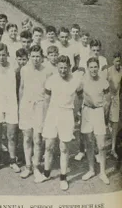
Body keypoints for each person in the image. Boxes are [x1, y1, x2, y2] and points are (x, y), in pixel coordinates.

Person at [38, 55, 83, 191]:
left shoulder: (76, 81)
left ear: (69, 67)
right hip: (52, 114)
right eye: (60, 68)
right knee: (49, 146)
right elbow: (46, 101)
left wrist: (75, 113)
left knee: (64, 148)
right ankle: (46, 173)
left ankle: (63, 178)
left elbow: (80, 98)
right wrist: (45, 119)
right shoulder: (51, 80)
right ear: (57, 67)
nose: (63, 70)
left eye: (65, 68)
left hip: (67, 114)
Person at [19, 45, 49, 180]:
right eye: (33, 56)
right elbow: (21, 88)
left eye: (38, 56)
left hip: (40, 107)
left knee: (37, 139)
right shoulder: (24, 69)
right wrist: (21, 106)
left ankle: (36, 166)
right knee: (27, 138)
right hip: (26, 106)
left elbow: (48, 93)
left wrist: (47, 110)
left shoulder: (47, 71)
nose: (35, 59)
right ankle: (28, 166)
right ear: (29, 57)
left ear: (42, 57)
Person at [0, 43, 21, 174]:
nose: (1, 57)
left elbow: (19, 85)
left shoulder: (15, 67)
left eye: (4, 54)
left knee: (11, 135)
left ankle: (13, 160)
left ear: (7, 54)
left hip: (11, 104)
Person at [80, 57, 111, 185]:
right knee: (89, 142)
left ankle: (103, 172)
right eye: (91, 67)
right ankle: (91, 170)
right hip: (87, 112)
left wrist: (105, 116)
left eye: (95, 67)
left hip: (99, 112)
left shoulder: (103, 81)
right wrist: (79, 110)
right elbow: (77, 94)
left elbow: (108, 100)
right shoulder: (83, 80)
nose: (93, 69)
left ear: (98, 67)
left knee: (101, 145)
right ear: (88, 68)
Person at [107, 52, 122, 159]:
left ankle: (112, 149)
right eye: (116, 61)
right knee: (105, 124)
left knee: (115, 124)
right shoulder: (108, 71)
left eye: (119, 61)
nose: (118, 63)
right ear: (112, 61)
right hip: (107, 99)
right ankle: (100, 150)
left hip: (116, 99)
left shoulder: (121, 70)